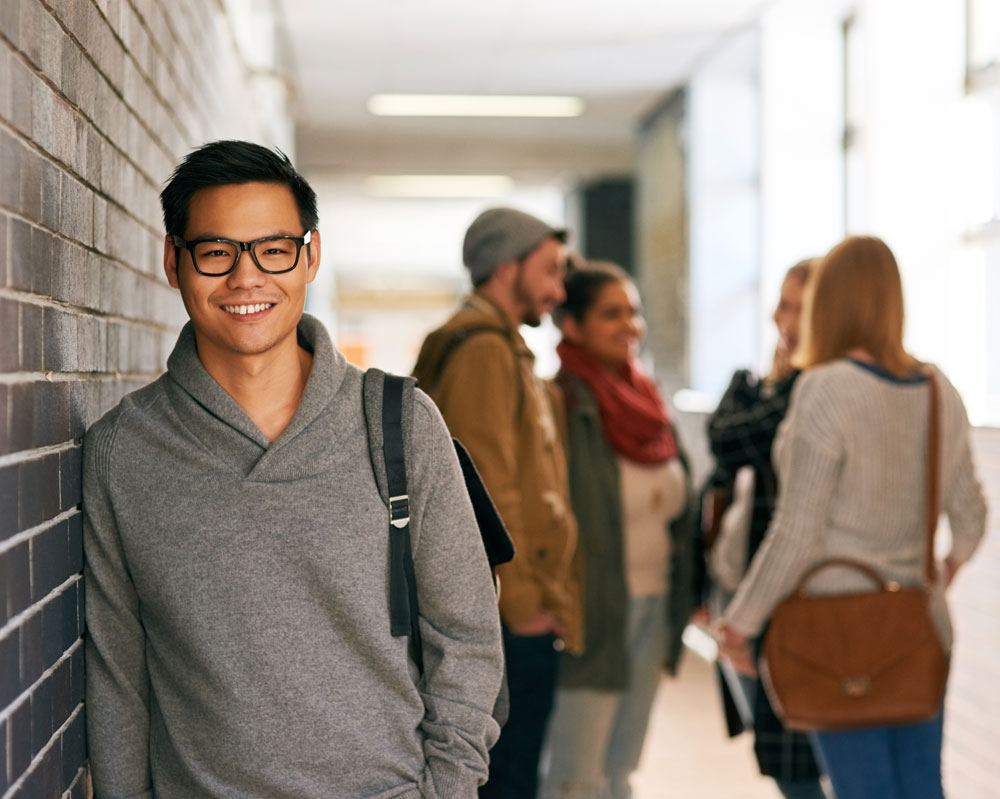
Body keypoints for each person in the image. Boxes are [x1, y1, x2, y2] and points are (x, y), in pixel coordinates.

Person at [83, 140, 505, 799]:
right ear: (173, 260)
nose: (246, 278)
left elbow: (467, 637)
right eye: (216, 251)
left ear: (309, 255)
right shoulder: (122, 451)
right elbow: (117, 678)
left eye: (273, 249)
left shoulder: (399, 422)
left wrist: (448, 789)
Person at [716, 236, 987, 799]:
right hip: (920, 624)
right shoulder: (941, 389)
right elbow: (972, 518)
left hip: (835, 633)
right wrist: (937, 575)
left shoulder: (825, 389)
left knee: (863, 790)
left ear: (828, 303)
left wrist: (741, 621)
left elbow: (797, 531)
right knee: (920, 788)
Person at [413, 207, 583, 799]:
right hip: (508, 613)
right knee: (509, 778)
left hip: (509, 606)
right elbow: (485, 493)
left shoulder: (500, 347)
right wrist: (527, 604)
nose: (559, 290)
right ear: (507, 268)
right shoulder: (484, 351)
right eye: (550, 271)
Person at [540, 262, 696, 799]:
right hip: (593, 611)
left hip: (655, 604)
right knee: (574, 774)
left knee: (620, 765)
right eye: (612, 313)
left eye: (633, 311)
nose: (630, 323)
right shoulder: (559, 404)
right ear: (572, 325)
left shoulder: (651, 405)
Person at [704, 260, 827, 799]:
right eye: (783, 303)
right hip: (749, 582)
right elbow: (723, 446)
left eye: (803, 307)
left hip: (795, 593)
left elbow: (732, 441)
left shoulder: (818, 390)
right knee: (779, 751)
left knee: (798, 760)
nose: (787, 318)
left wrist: (786, 382)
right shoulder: (770, 384)